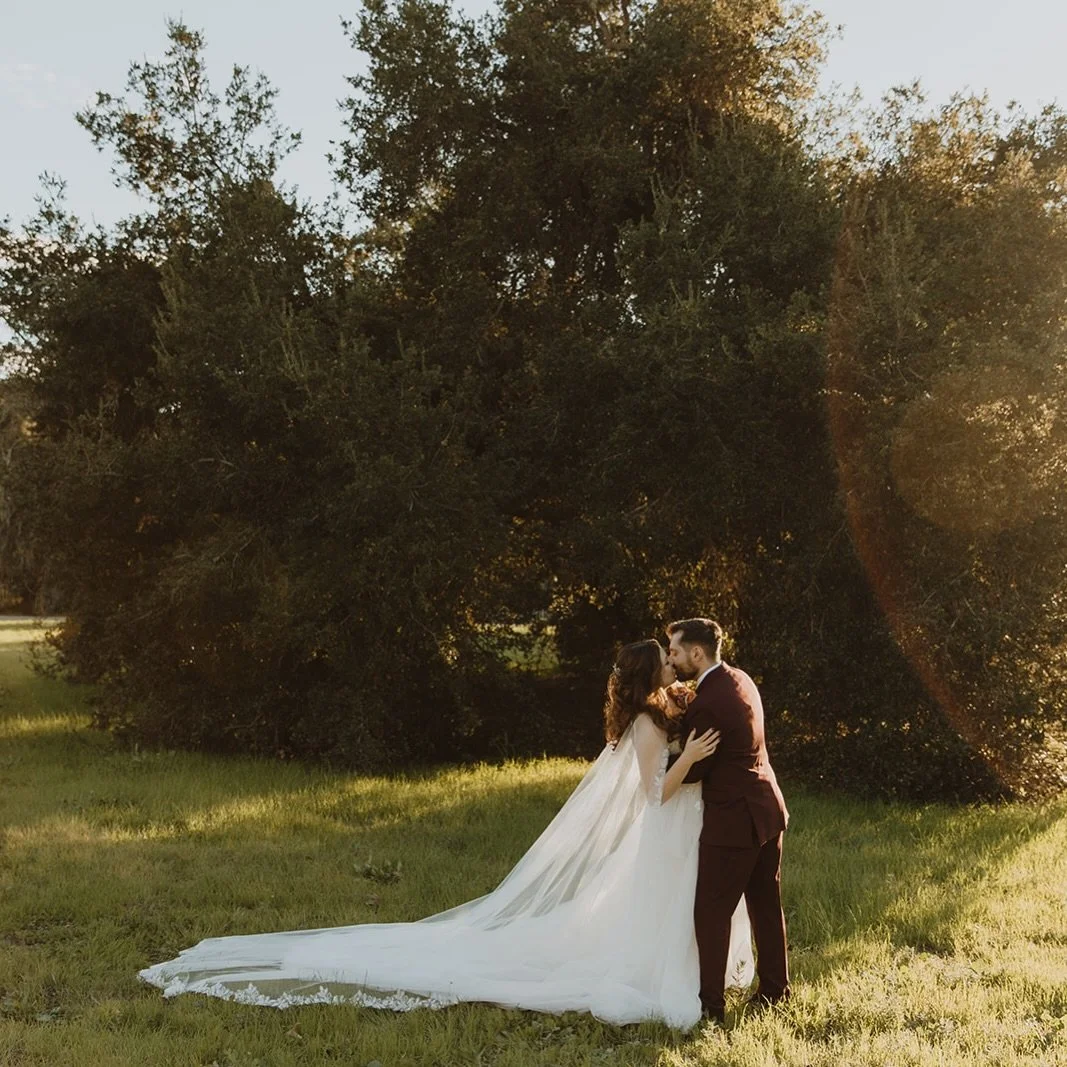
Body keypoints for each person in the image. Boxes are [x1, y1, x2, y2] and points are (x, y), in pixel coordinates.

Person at [140, 638, 755, 1028]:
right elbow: (651, 796)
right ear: (659, 672)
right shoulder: (650, 727)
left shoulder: (647, 717)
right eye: (669, 659)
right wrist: (690, 759)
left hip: (676, 835)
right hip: (664, 830)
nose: (676, 663)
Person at [666, 618, 790, 1024]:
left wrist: (671, 750)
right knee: (765, 905)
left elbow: (697, 770)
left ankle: (711, 1007)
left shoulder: (708, 702)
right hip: (767, 808)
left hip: (734, 819)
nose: (672, 658)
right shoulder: (740, 679)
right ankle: (776, 991)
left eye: (676, 651)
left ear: (696, 654)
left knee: (712, 911)